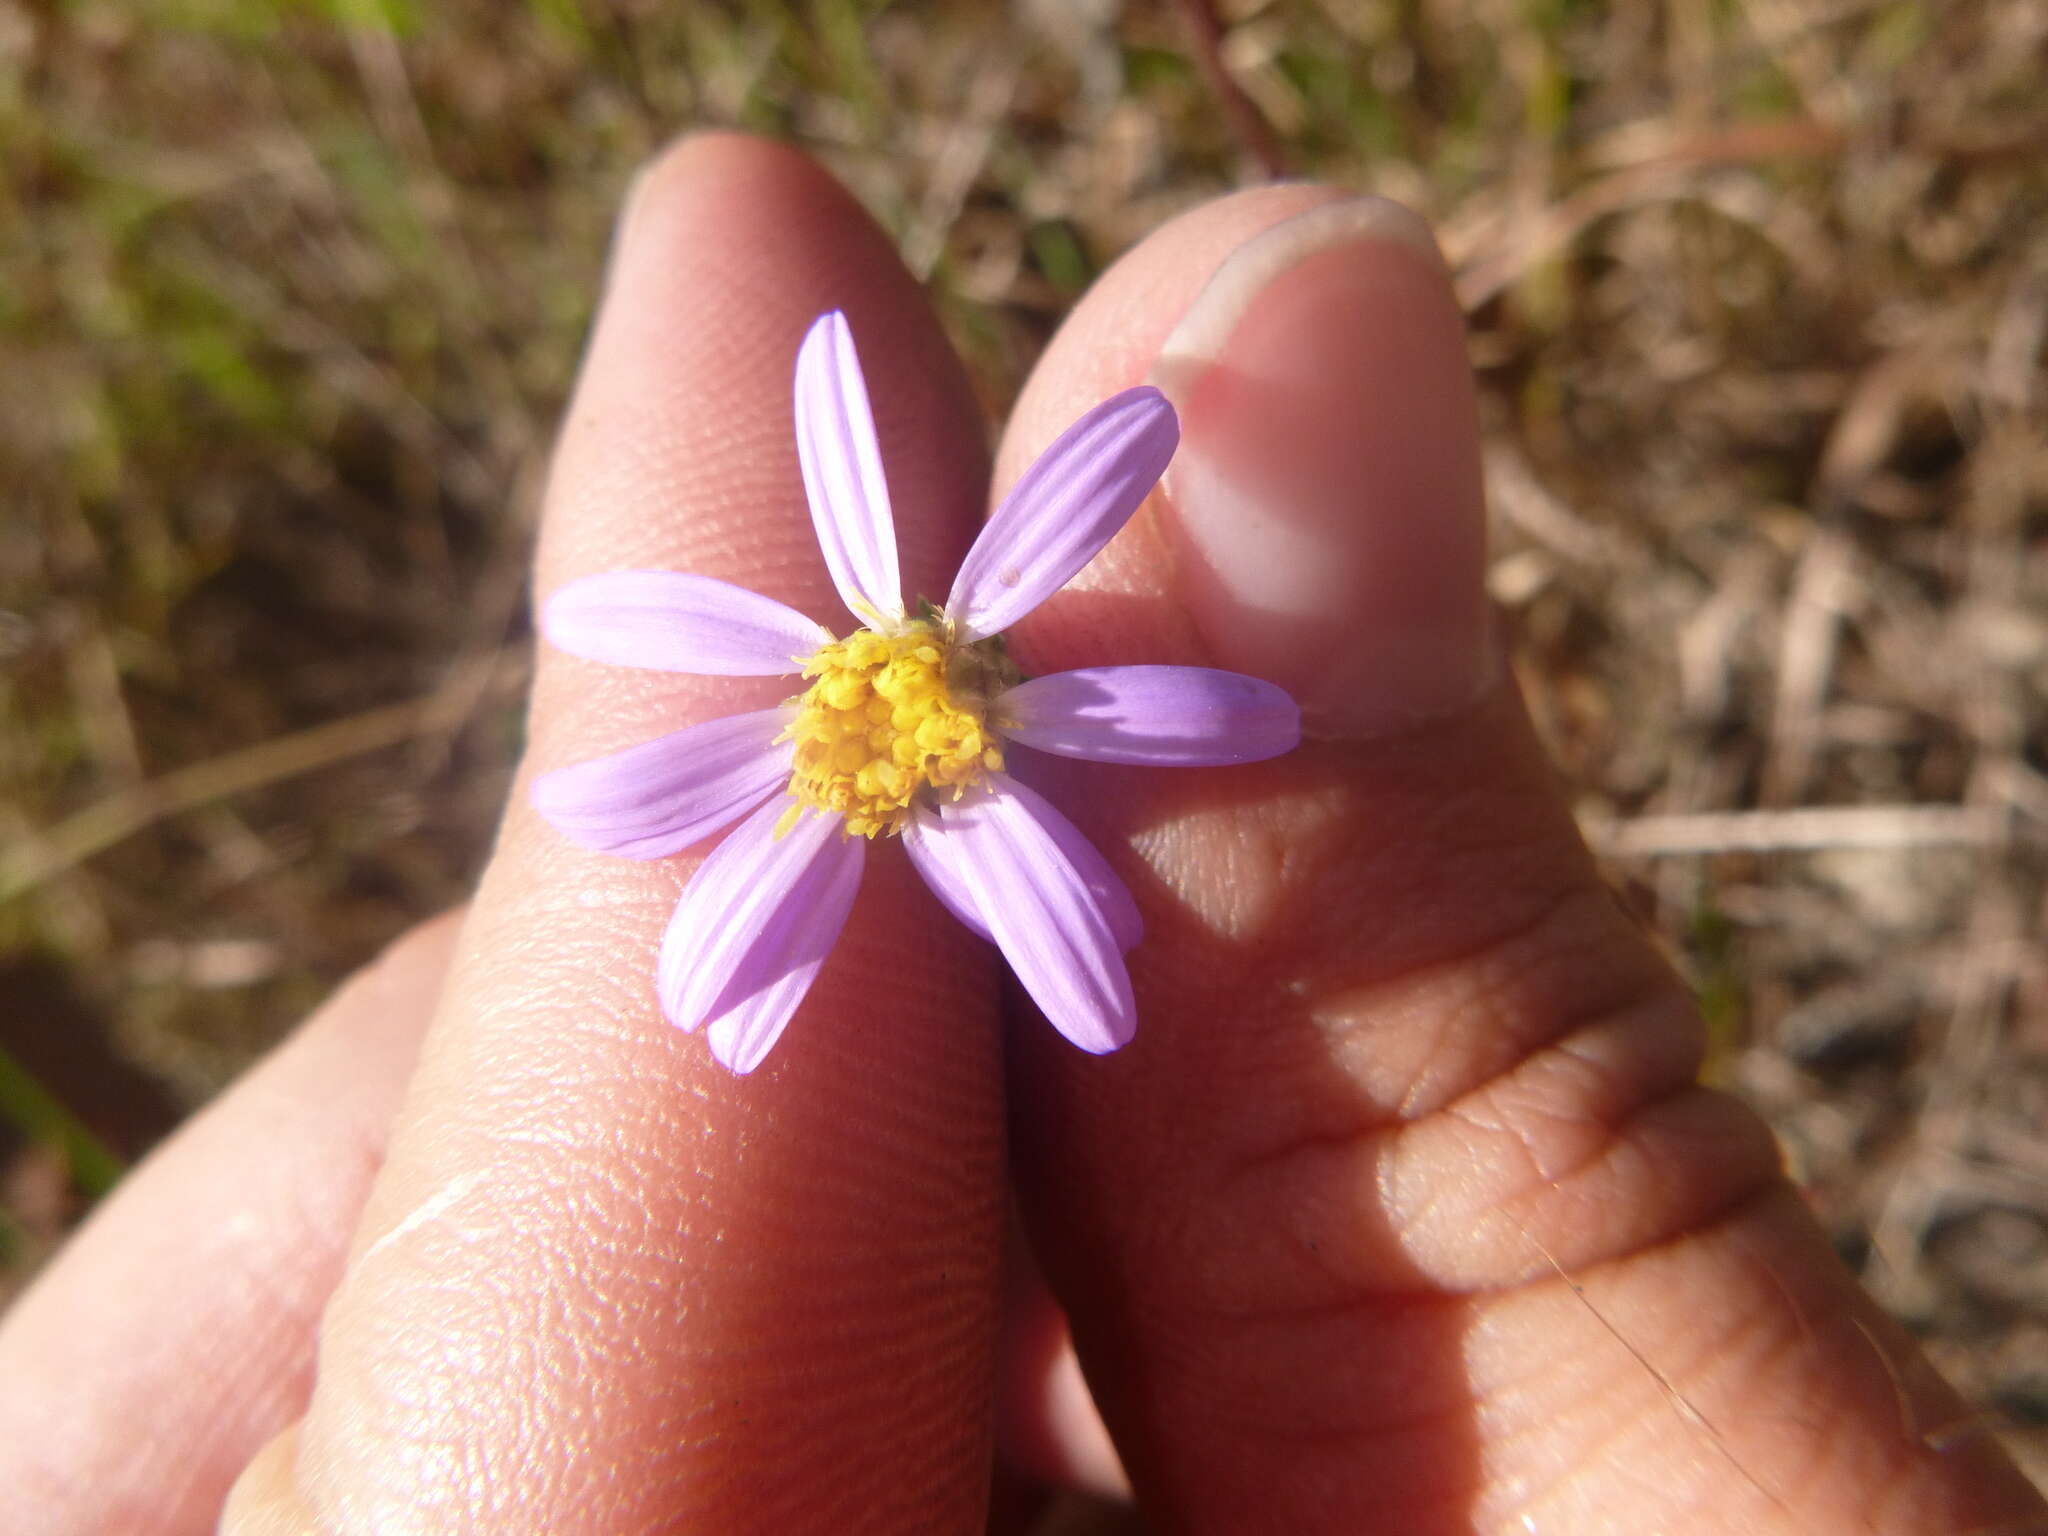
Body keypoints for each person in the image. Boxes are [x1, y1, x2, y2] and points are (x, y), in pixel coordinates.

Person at [0, 135, 2037, 1535]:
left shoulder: (948, 693)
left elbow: (1216, 708)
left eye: (885, 697)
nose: (879, 703)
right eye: (869, 708)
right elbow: (682, 863)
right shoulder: (833, 766)